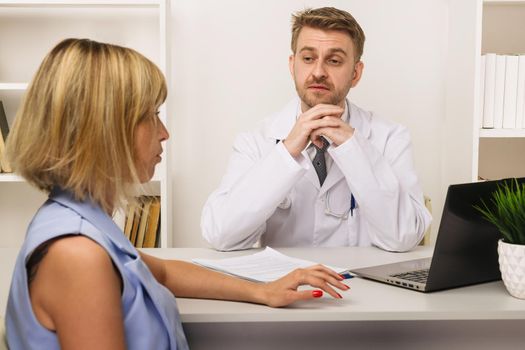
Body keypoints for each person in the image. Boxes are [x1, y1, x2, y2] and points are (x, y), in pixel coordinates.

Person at [4, 38, 349, 350]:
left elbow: (164, 273)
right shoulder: (77, 256)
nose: (164, 133)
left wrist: (261, 291)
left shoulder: (84, 222)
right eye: (151, 116)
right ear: (105, 129)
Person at [201, 7, 431, 252]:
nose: (319, 72)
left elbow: (404, 237)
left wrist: (354, 148)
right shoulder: (256, 141)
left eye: (334, 61)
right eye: (308, 58)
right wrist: (287, 152)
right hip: (285, 284)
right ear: (293, 65)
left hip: (364, 285)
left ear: (356, 73)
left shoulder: (390, 137)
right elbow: (221, 234)